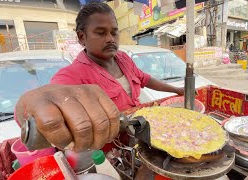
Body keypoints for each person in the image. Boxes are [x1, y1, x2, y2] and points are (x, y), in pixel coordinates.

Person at [15, 2, 184, 152]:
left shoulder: (123, 58)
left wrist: (176, 90)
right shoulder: (73, 74)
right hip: (109, 148)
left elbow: (145, 78)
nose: (110, 39)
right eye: (101, 33)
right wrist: (31, 103)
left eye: (114, 32)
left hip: (141, 134)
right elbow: (47, 98)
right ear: (82, 37)